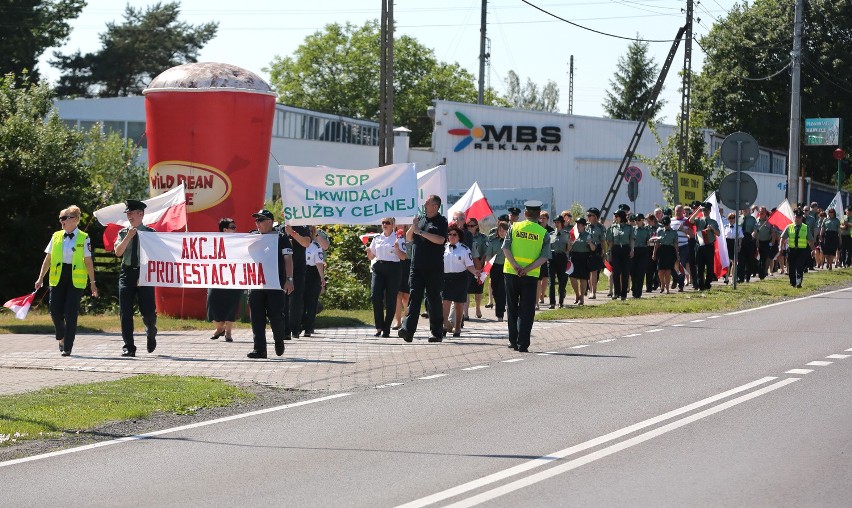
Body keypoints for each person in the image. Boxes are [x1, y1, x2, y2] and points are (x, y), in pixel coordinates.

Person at [35, 205, 98, 356]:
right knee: (54, 310)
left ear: (75, 220)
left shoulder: (84, 237)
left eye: (64, 218)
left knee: (71, 313)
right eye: (60, 218)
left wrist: (93, 283)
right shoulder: (56, 236)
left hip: (76, 279)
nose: (61, 221)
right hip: (58, 276)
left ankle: (68, 346)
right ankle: (61, 336)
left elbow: (88, 261)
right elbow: (48, 259)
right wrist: (40, 277)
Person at [503, 200, 551, 352]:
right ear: (538, 215)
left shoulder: (514, 226)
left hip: (511, 272)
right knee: (527, 309)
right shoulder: (543, 233)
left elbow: (505, 248)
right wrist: (527, 268)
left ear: (525, 214)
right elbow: (544, 257)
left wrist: (516, 265)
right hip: (530, 276)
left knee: (512, 308)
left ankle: (512, 341)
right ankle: (523, 343)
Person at [399, 195, 448, 343]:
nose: (424, 206)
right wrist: (413, 227)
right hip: (417, 267)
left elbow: (440, 240)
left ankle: (436, 333)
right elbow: (409, 238)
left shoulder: (441, 221)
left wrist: (420, 232)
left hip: (433, 268)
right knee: (414, 298)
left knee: (433, 300)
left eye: (427, 204)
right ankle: (408, 330)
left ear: (435, 206)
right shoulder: (420, 219)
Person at [246, 209, 294, 358]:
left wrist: (289, 279)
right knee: (257, 317)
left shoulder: (281, 238)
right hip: (256, 283)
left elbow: (288, 260)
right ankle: (260, 349)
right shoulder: (252, 237)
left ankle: (279, 340)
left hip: (276, 284)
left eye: (260, 220)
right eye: (256, 221)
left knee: (276, 316)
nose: (257, 224)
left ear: (270, 222)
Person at [113, 199, 157, 357]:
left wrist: (144, 274)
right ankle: (129, 346)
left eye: (131, 213)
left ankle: (151, 333)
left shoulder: (151, 233)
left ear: (141, 214)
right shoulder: (123, 232)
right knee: (125, 312)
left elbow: (157, 256)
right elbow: (118, 253)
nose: (129, 216)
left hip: (145, 273)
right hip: (127, 273)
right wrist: (128, 237)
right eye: (128, 214)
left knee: (148, 313)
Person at [367, 217, 403, 338]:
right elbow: (372, 257)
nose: (385, 225)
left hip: (393, 269)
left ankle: (386, 327)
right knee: (375, 296)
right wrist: (368, 252)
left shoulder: (398, 238)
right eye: (383, 223)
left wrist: (397, 248)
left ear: (393, 225)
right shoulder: (377, 238)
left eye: (387, 223)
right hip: (379, 267)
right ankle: (379, 326)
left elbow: (403, 257)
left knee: (391, 299)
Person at [207, 218, 242, 343]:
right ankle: (220, 328)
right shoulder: (213, 242)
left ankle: (228, 332)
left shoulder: (240, 242)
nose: (235, 229)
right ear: (225, 229)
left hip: (234, 278)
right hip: (216, 278)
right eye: (232, 227)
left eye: (235, 227)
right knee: (213, 306)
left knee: (231, 305)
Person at [442, 224, 479, 337]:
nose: (452, 236)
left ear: (459, 237)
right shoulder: (443, 248)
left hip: (460, 278)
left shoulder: (464, 249)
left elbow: (469, 265)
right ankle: (445, 325)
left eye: (454, 235)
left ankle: (457, 327)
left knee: (458, 304)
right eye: (450, 234)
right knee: (445, 303)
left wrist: (475, 272)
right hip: (446, 278)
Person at [283, 222, 311, 338]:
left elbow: (306, 243)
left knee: (296, 300)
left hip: (298, 269)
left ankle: (295, 329)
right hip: (282, 269)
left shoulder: (302, 227)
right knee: (282, 300)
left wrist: (292, 233)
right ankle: (284, 330)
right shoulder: (278, 228)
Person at [301, 226, 326, 337]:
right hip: (300, 272)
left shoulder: (316, 246)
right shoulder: (298, 244)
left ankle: (308, 328)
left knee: (312, 302)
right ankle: (299, 325)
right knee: (300, 302)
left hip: (312, 273)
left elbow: (319, 263)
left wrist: (322, 279)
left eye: (310, 231)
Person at [689, 202, 720, 290]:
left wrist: (712, 229)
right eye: (703, 210)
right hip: (700, 246)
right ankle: (700, 285)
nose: (705, 212)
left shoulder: (713, 222)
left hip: (709, 246)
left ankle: (708, 283)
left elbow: (718, 234)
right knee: (700, 267)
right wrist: (698, 210)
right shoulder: (699, 220)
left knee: (710, 267)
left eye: (706, 210)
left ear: (709, 211)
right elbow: (691, 220)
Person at [606, 209, 634, 300]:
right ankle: (616, 292)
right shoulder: (613, 227)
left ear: (621, 217)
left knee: (625, 272)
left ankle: (623, 294)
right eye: (615, 216)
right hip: (616, 250)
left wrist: (632, 250)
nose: (615, 218)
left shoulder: (629, 228)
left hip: (625, 249)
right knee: (616, 272)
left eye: (617, 216)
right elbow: (610, 242)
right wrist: (609, 252)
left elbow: (631, 240)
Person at [781, 210, 815, 288]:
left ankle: (799, 282)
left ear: (801, 218)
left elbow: (810, 239)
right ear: (794, 217)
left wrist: (813, 249)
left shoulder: (805, 227)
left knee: (800, 267)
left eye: (799, 218)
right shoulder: (789, 227)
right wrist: (780, 247)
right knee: (791, 267)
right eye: (796, 217)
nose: (797, 219)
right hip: (792, 250)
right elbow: (782, 238)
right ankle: (793, 283)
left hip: (801, 250)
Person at [568, 217, 594, 305]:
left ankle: (582, 297)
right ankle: (577, 294)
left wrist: (590, 243)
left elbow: (593, 248)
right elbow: (569, 249)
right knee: (572, 277)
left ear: (583, 226)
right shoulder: (573, 235)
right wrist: (570, 243)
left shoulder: (588, 235)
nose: (577, 226)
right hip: (574, 257)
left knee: (583, 278)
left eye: (579, 225)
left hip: (584, 257)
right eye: (577, 224)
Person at [485, 222, 509, 321]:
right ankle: (500, 305)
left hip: (507, 267)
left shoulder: (510, 241)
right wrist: (487, 267)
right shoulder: (493, 241)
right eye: (500, 230)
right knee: (495, 289)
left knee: (502, 290)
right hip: (495, 267)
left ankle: (500, 313)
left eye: (504, 230)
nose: (502, 232)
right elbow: (488, 255)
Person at [652, 216, 680, 294]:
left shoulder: (674, 232)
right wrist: (654, 253)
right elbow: (657, 243)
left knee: (668, 271)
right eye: (664, 224)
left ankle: (667, 288)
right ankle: (662, 284)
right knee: (660, 271)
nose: (666, 226)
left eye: (667, 224)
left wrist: (677, 254)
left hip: (670, 251)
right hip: (662, 251)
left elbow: (675, 244)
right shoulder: (659, 230)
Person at [466, 217, 488, 318]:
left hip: (479, 263)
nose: (469, 227)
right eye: (468, 225)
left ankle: (478, 308)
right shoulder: (464, 236)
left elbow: (486, 251)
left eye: (472, 226)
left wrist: (481, 263)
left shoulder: (482, 237)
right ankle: (465, 313)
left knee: (478, 289)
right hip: (466, 264)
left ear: (477, 226)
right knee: (466, 290)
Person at [548, 215, 571, 308]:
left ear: (562, 223)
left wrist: (570, 243)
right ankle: (552, 303)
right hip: (552, 257)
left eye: (558, 222)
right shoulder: (551, 234)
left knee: (562, 281)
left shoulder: (566, 234)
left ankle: (561, 302)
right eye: (555, 222)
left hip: (562, 257)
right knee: (551, 282)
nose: (556, 224)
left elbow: (568, 249)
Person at [394, 224, 411, 330]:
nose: (401, 226)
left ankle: (407, 318)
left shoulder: (409, 238)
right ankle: (398, 320)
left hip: (408, 267)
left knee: (406, 296)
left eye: (403, 224)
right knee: (398, 295)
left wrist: (397, 247)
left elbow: (405, 256)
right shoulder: (391, 237)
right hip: (395, 267)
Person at [585, 207, 606, 299]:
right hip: (586, 249)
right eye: (588, 215)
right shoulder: (585, 226)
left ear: (595, 217)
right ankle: (588, 289)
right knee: (588, 271)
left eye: (590, 215)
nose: (588, 217)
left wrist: (604, 252)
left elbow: (603, 241)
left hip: (596, 249)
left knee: (593, 271)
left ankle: (593, 291)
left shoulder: (600, 227)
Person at [536, 211, 554, 309]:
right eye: (540, 218)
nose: (542, 220)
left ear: (547, 220)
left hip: (547, 256)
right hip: (538, 257)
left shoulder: (551, 230)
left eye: (544, 218)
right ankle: (538, 298)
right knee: (538, 279)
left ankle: (542, 294)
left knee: (545, 277)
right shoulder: (536, 228)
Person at [754, 207, 778, 279]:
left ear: (765, 213)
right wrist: (757, 241)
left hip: (766, 242)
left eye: (763, 212)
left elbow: (773, 232)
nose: (761, 213)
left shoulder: (769, 222)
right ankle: (760, 272)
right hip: (759, 242)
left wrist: (772, 241)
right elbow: (755, 233)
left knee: (764, 259)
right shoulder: (756, 221)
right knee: (759, 259)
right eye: (760, 212)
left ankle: (762, 274)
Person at [630, 213, 651, 298]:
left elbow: (648, 240)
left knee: (641, 272)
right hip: (634, 251)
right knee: (633, 272)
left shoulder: (647, 230)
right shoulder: (632, 229)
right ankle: (634, 288)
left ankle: (639, 292)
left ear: (642, 220)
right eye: (636, 220)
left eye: (639, 220)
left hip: (643, 250)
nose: (637, 221)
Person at [723, 212, 744, 284]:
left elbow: (740, 237)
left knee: (734, 262)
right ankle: (726, 277)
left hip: (735, 243)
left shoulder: (739, 227)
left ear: (735, 219)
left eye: (733, 218)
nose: (731, 219)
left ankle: (733, 277)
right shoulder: (725, 226)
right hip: (727, 243)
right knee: (727, 262)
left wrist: (739, 245)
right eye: (730, 218)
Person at [739, 207, 758, 282]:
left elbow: (756, 228)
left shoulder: (752, 219)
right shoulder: (738, 218)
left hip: (749, 241)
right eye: (744, 209)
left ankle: (747, 277)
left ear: (749, 210)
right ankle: (740, 278)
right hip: (741, 241)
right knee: (741, 261)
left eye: (747, 209)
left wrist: (754, 233)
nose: (745, 210)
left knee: (749, 260)